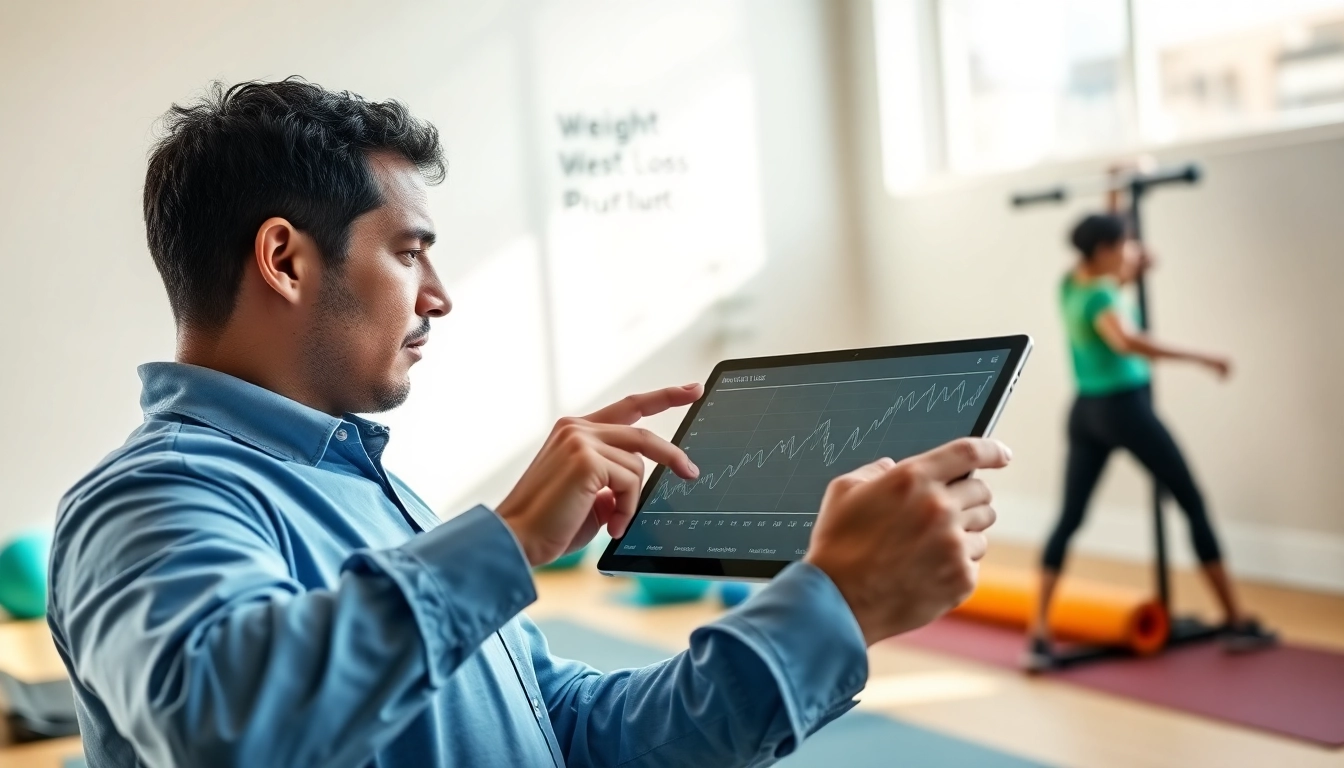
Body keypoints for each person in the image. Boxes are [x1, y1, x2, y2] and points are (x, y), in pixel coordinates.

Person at [47, 78, 1013, 768]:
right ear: (286, 260)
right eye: (411, 253)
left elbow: (576, 735)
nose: (439, 296)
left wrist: (832, 608)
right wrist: (506, 540)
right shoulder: (151, 496)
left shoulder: (370, 489)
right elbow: (221, 728)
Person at [1022, 210, 1275, 672]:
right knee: (1192, 501)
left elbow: (1109, 234)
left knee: (1070, 517)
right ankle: (1237, 621)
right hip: (1125, 411)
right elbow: (1128, 342)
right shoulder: (1102, 297)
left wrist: (1120, 191)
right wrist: (1203, 357)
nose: (1131, 254)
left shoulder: (1071, 282)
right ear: (1102, 251)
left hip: (1084, 413)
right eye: (1124, 247)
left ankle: (1039, 633)